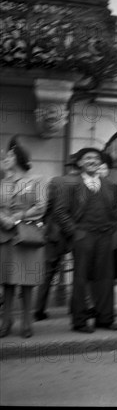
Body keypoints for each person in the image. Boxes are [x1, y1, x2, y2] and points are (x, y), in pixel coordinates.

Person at [53, 147, 117, 333]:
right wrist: (74, 232)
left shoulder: (111, 185)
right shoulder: (70, 185)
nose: (92, 160)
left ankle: (105, 319)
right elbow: (60, 211)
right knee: (81, 279)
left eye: (96, 158)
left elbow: (115, 212)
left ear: (100, 163)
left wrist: (113, 229)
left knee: (106, 279)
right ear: (80, 163)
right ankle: (80, 321)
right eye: (88, 158)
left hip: (105, 237)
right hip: (82, 236)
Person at [0, 136, 47, 338]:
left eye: (9, 155)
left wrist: (19, 216)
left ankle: (27, 322)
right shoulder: (2, 183)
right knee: (7, 281)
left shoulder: (37, 181)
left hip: (27, 236)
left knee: (27, 281)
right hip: (5, 235)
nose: (5, 158)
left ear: (18, 158)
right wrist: (4, 218)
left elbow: (42, 206)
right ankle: (6, 320)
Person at [34, 153, 79, 322]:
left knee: (48, 273)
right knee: (79, 272)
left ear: (68, 166)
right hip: (77, 233)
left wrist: (45, 224)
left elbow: (47, 208)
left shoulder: (56, 181)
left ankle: (39, 310)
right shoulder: (84, 184)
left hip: (54, 233)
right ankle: (75, 309)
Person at [97, 152, 117, 284]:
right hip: (94, 233)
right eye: (98, 167)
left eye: (103, 168)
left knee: (111, 271)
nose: (100, 171)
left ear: (108, 170)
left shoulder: (115, 188)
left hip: (111, 233)